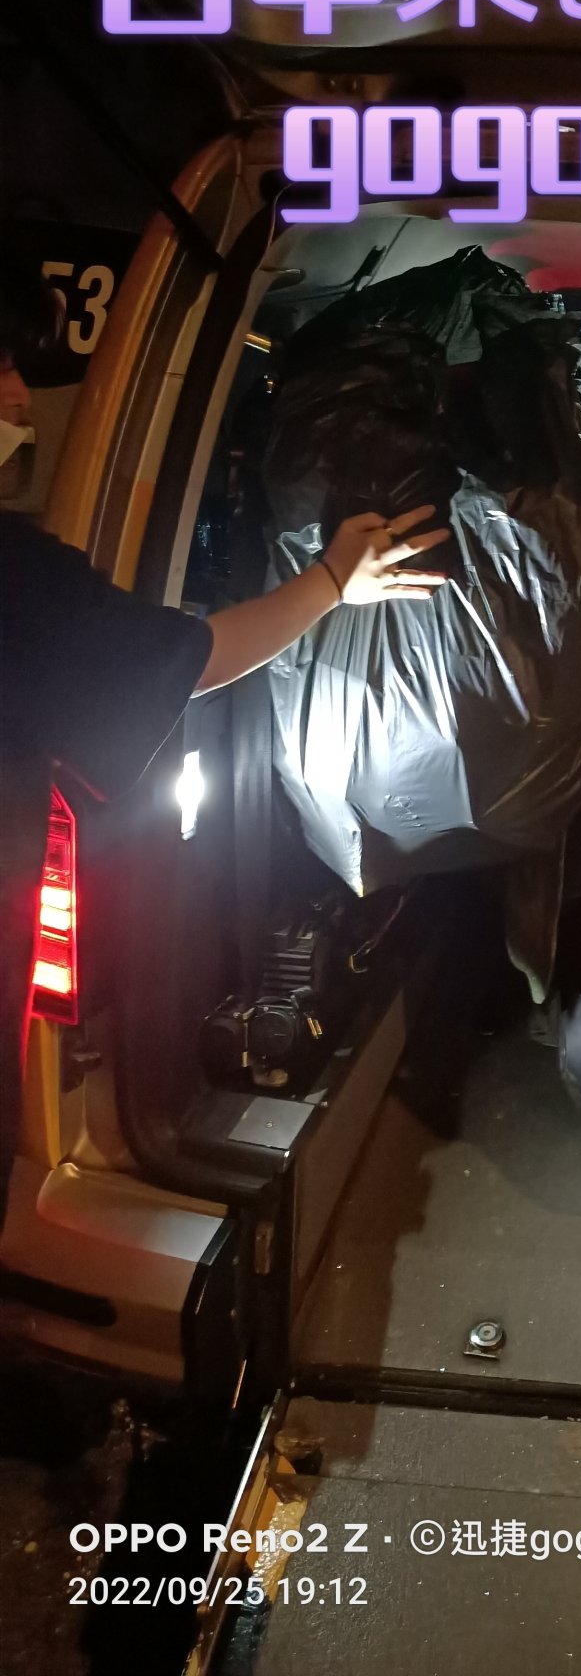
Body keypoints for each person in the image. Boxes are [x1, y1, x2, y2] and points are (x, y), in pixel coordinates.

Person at [0, 253, 449, 1225]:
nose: (21, 395)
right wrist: (332, 581)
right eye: (2, 369)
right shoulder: (18, 582)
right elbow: (188, 662)